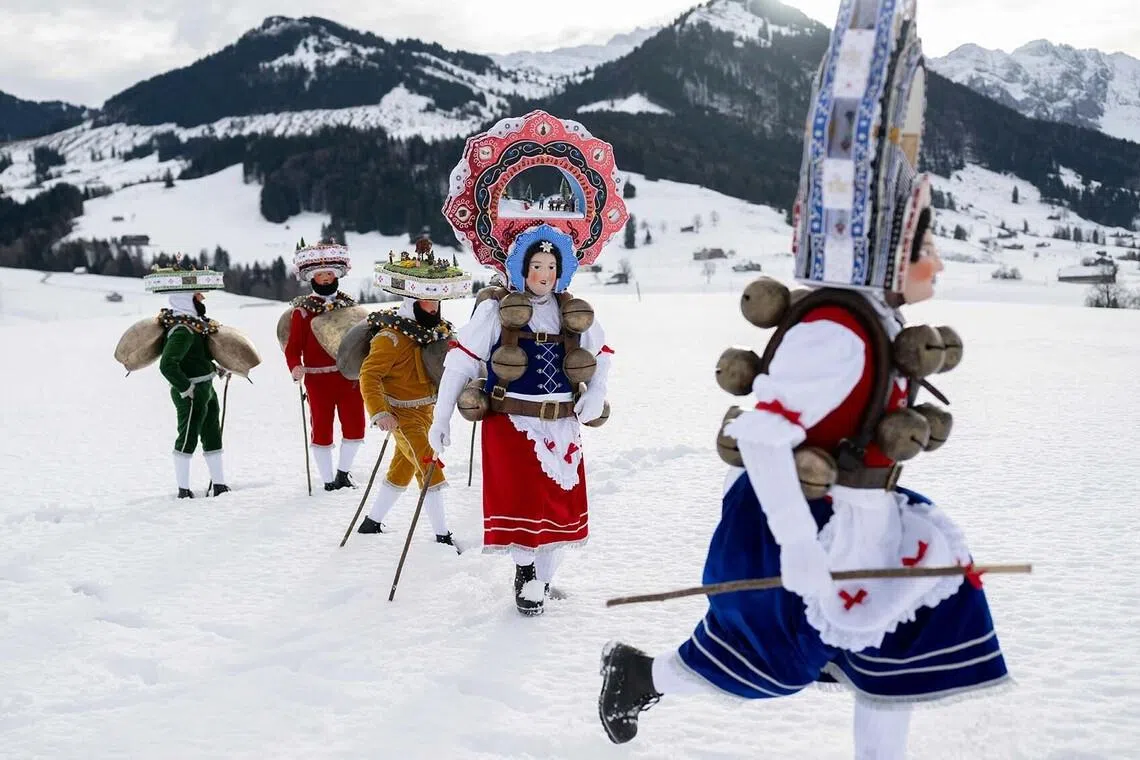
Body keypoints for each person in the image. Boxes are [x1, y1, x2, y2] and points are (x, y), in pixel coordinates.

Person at [597, 2, 1010, 756]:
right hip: (797, 527)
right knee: (761, 664)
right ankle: (642, 675)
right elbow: (760, 434)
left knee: (898, 654)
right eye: (926, 242)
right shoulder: (835, 338)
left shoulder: (875, 324)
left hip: (860, 516)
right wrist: (800, 552)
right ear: (886, 251)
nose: (939, 263)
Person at [430, 225, 613, 616]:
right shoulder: (497, 310)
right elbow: (460, 361)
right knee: (525, 505)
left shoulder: (572, 311)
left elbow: (604, 354)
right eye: (535, 265)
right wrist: (440, 416)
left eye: (550, 265)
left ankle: (543, 580)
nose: (543, 274)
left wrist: (596, 393)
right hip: (513, 423)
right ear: (520, 267)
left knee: (559, 507)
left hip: (563, 423)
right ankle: (526, 573)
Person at [356, 250, 474, 548]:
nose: (433, 308)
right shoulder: (390, 338)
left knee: (403, 467)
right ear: (412, 301)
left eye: (436, 302)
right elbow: (368, 376)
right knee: (429, 465)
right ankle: (442, 535)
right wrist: (380, 412)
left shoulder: (433, 333)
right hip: (401, 416)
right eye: (427, 301)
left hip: (428, 412)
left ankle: (371, 523)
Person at [144, 257, 231, 498]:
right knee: (188, 436)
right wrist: (186, 389)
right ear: (186, 298)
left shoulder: (194, 326)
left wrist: (215, 369)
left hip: (206, 386)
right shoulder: (182, 331)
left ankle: (220, 484)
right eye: (198, 294)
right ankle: (183, 489)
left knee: (212, 433)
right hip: (192, 391)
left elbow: (198, 358)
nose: (202, 298)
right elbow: (167, 365)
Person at [284, 239, 366, 491]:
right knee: (321, 426)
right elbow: (293, 347)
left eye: (329, 273)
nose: (326, 278)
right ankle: (328, 479)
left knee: (355, 427)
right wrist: (295, 367)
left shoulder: (351, 307)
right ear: (312, 278)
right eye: (321, 275)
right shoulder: (302, 312)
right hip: (318, 380)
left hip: (350, 378)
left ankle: (343, 473)